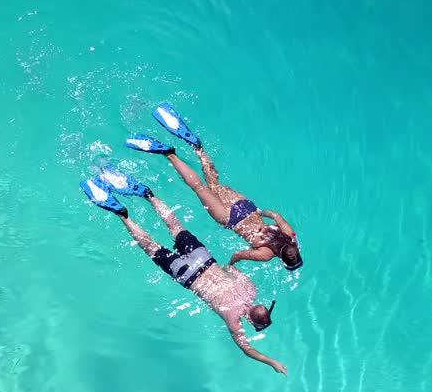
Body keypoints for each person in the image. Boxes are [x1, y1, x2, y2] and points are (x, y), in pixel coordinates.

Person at [80, 169, 288, 375]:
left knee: (175, 226)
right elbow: (246, 348)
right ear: (250, 321)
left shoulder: (250, 289)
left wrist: (227, 267)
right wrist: (271, 362)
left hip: (204, 260)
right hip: (188, 276)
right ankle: (123, 215)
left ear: (262, 306)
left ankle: (148, 195)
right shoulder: (233, 318)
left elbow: (230, 267)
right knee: (151, 247)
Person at [126, 105, 303, 271]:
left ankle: (197, 147)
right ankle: (169, 154)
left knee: (214, 183)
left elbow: (275, 215)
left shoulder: (289, 234)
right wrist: (231, 265)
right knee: (199, 187)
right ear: (281, 260)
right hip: (229, 219)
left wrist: (259, 212)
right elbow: (239, 254)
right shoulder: (266, 255)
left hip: (245, 207)